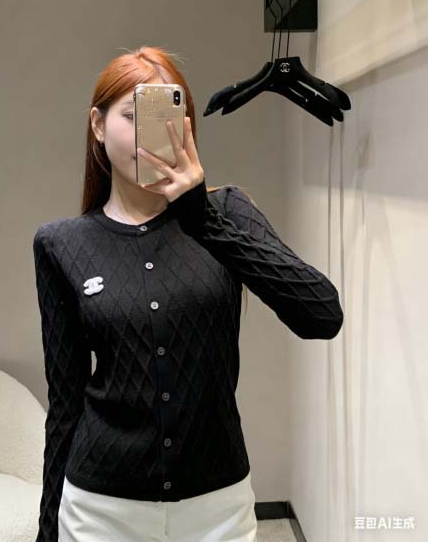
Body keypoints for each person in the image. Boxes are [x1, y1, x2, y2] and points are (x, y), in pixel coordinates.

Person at [32, 46, 344, 541]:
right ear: (98, 125)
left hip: (217, 507)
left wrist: (202, 218)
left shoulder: (229, 215)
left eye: (166, 114)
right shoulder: (61, 244)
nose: (148, 132)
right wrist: (47, 530)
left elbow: (322, 314)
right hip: (100, 511)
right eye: (132, 115)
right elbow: (65, 404)